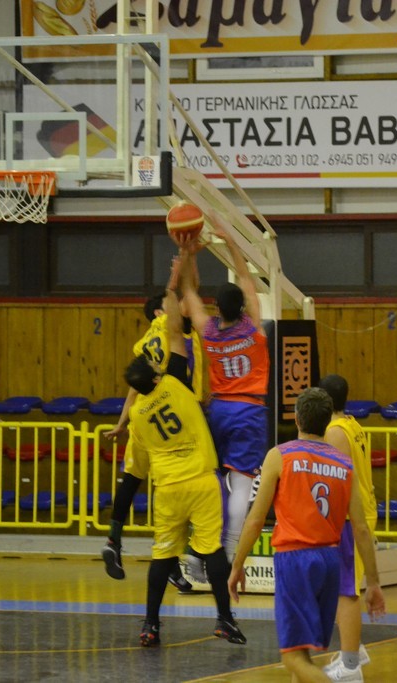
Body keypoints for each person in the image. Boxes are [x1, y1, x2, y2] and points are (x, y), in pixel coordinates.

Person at [122, 261, 245, 647]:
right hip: (201, 481)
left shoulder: (138, 416)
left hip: (168, 488)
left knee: (162, 557)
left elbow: (137, 466)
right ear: (156, 375)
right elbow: (176, 327)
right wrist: (174, 280)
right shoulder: (175, 383)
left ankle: (150, 624)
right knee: (212, 552)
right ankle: (224, 619)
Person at [228, 387, 385, 683]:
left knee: (293, 658)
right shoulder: (344, 464)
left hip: (295, 559)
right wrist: (374, 582)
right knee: (304, 657)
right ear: (327, 423)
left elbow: (255, 520)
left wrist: (237, 564)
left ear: (297, 419)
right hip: (330, 560)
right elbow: (361, 528)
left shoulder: (280, 455)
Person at [101, 287, 204, 592]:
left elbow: (134, 388)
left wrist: (122, 424)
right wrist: (178, 276)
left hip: (143, 418)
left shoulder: (145, 343)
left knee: (131, 481)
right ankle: (172, 561)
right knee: (171, 492)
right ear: (161, 312)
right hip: (173, 416)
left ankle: (113, 540)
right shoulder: (172, 328)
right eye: (172, 304)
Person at [180, 213, 270, 563]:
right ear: (243, 306)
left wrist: (188, 254)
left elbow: (189, 293)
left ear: (216, 307)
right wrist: (231, 241)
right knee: (242, 483)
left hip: (218, 410)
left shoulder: (208, 331)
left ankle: (201, 548)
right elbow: (246, 279)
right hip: (249, 409)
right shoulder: (254, 329)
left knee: (213, 479)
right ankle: (230, 553)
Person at [318, 374, 378, 682]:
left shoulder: (334, 432)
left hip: (350, 517)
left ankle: (351, 665)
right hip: (360, 511)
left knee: (347, 591)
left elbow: (336, 481)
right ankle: (354, 649)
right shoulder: (352, 424)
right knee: (340, 588)